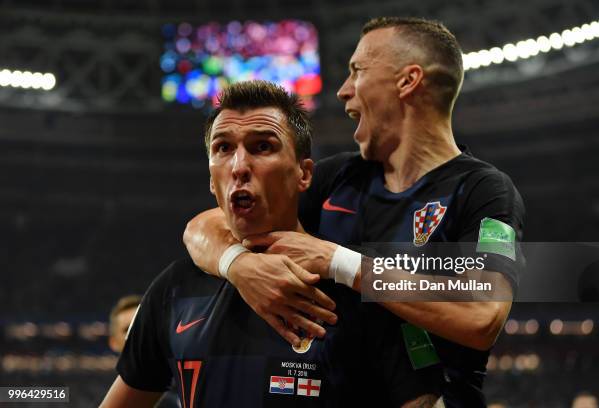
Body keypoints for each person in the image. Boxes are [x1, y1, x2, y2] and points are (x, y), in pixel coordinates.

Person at [183, 17, 525, 407]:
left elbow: (482, 318)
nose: (344, 91)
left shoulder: (484, 191)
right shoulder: (341, 177)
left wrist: (341, 263)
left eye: (357, 72)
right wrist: (238, 265)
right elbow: (206, 225)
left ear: (408, 81)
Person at [101, 80, 442, 408]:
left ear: (304, 174)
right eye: (223, 148)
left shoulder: (362, 290)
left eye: (262, 146)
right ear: (210, 179)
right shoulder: (174, 289)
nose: (239, 166)